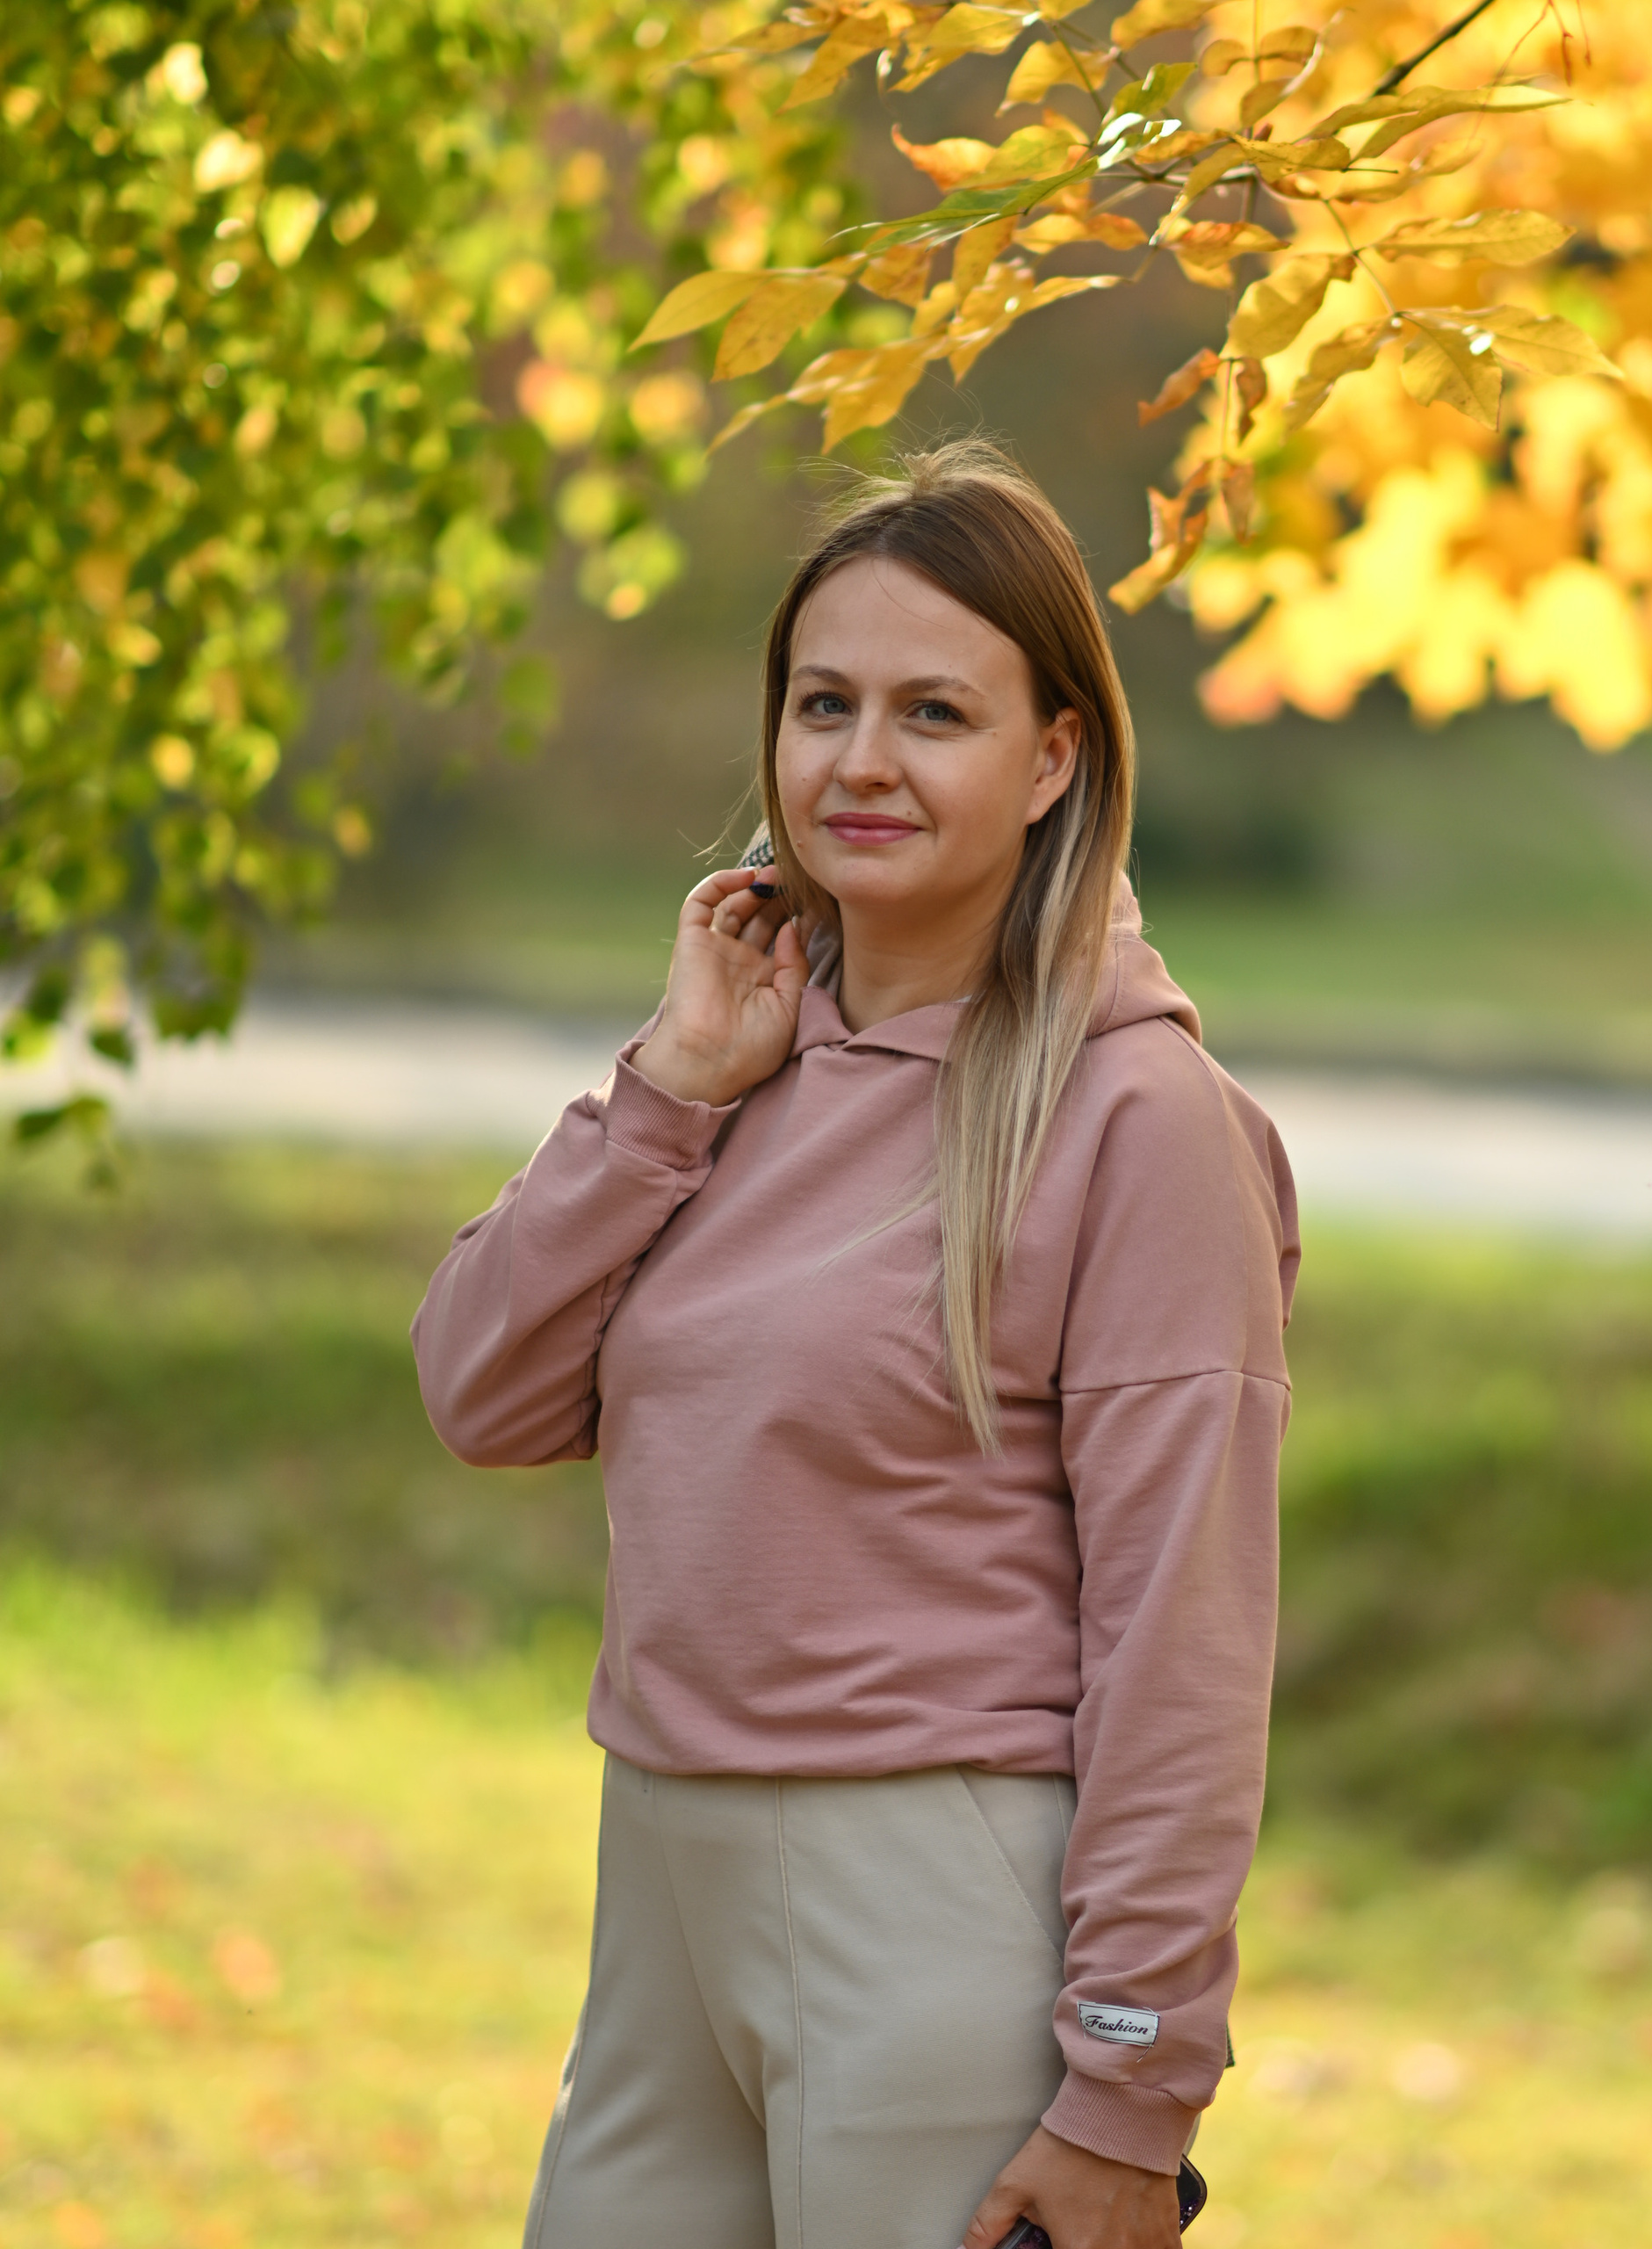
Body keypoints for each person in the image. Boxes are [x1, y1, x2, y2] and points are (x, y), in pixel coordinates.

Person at [411, 442, 1299, 2249]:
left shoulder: (1141, 1118)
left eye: (933, 711)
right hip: (661, 1887)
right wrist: (664, 1091)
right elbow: (483, 1390)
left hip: (931, 1911)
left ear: (1055, 756)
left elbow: (1180, 1637)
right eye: (823, 704)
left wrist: (1131, 2085)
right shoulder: (733, 1066)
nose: (861, 761)